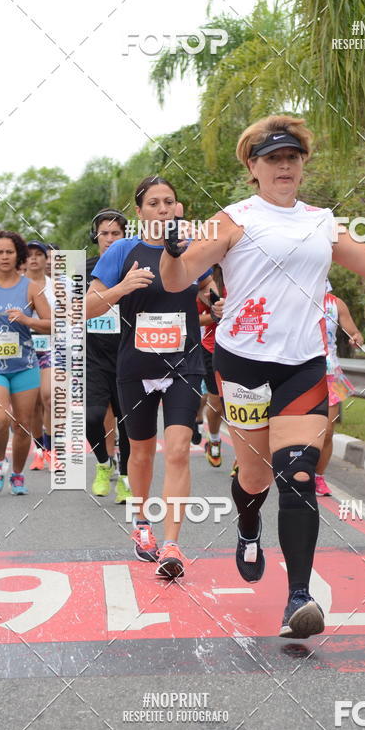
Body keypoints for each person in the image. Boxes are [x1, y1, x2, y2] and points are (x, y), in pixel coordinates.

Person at [160, 114, 365, 638]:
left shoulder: (321, 220)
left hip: (304, 364)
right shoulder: (233, 219)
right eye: (273, 158)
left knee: (299, 473)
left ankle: (299, 599)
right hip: (243, 364)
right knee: (255, 477)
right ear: (254, 168)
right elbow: (178, 279)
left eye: (292, 157)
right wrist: (172, 253)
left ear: (303, 165)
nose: (284, 166)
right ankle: (247, 523)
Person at [86, 177, 222, 578]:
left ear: (178, 208)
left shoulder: (193, 246)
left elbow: (209, 291)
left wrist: (216, 305)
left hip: (184, 364)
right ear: (140, 211)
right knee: (141, 453)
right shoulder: (122, 251)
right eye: (154, 203)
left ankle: (173, 544)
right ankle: (142, 523)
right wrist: (122, 287)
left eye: (169, 202)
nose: (163, 209)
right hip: (136, 367)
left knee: (178, 450)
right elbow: (88, 307)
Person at [0, 231, 51, 495]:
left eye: (9, 252)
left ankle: (18, 474)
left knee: (22, 426)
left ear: (17, 254)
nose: (4, 256)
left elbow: (52, 324)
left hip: (24, 366)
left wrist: (27, 320)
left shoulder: (30, 287)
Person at [85, 209, 132, 504]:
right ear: (96, 237)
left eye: (116, 233)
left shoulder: (135, 267)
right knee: (91, 417)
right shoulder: (84, 270)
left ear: (125, 237)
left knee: (128, 425)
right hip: (93, 358)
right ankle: (104, 462)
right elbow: (69, 311)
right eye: (105, 233)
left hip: (128, 356)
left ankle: (126, 480)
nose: (110, 239)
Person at [315, 281, 364, 497]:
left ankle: (318, 477)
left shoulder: (335, 304)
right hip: (299, 372)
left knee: (327, 433)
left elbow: (354, 332)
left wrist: (356, 338)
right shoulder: (293, 297)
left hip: (331, 374)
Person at [24, 240, 55, 471]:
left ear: (46, 259)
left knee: (49, 398)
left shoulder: (58, 287)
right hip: (24, 350)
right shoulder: (16, 286)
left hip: (52, 347)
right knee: (33, 405)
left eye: (39, 254)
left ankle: (52, 450)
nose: (34, 258)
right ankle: (39, 450)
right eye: (29, 254)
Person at [196, 265, 225, 467]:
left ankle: (242, 459)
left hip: (246, 348)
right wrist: (217, 315)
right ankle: (214, 439)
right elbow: (194, 318)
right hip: (212, 348)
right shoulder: (208, 279)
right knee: (216, 404)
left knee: (247, 402)